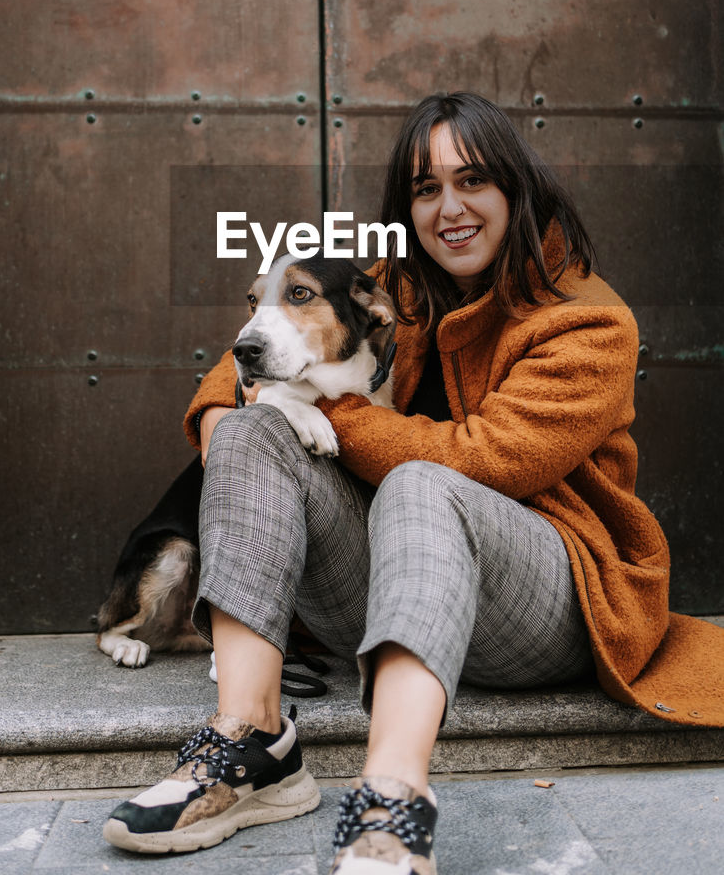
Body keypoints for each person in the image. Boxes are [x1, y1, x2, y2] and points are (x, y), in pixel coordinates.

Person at [103, 91, 724, 873]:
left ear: (516, 189)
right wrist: (227, 425)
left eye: (472, 181)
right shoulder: (391, 284)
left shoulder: (586, 320)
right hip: (400, 587)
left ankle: (391, 796)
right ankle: (252, 741)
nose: (449, 208)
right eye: (426, 189)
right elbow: (247, 362)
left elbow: (486, 460)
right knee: (261, 422)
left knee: (421, 479)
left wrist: (331, 410)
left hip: (550, 604)